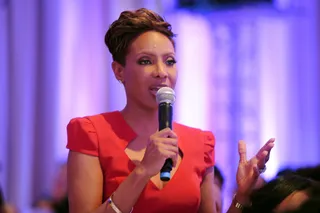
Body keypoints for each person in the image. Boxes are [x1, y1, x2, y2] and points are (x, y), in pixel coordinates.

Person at [66, 8, 275, 213]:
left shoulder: (200, 142)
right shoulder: (92, 133)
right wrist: (143, 170)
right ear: (119, 71)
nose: (161, 72)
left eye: (170, 61)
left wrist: (242, 196)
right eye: (146, 61)